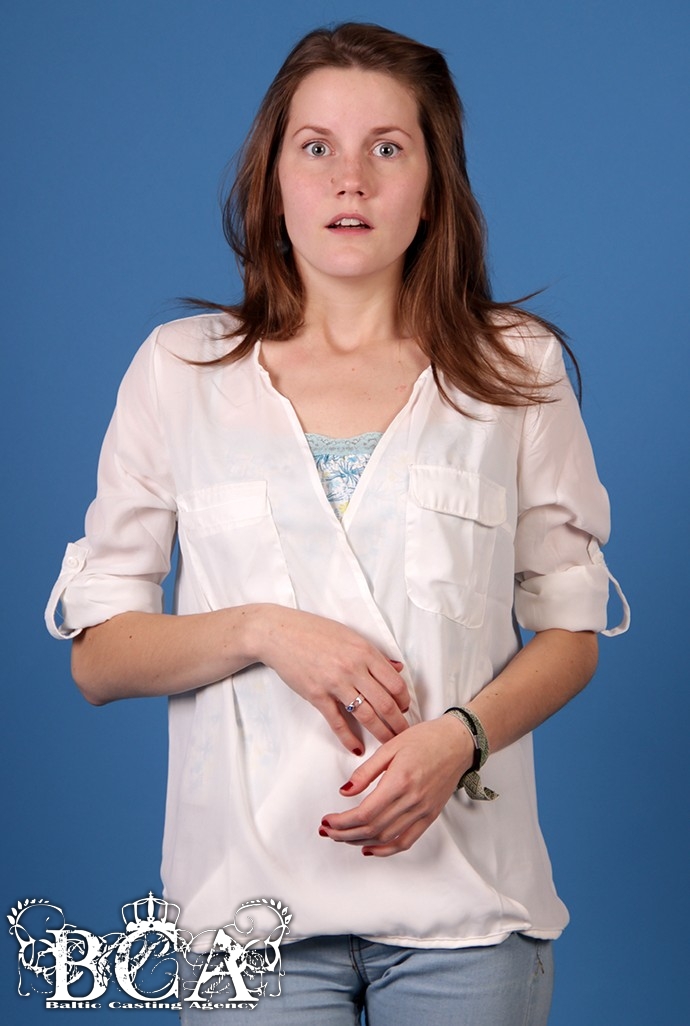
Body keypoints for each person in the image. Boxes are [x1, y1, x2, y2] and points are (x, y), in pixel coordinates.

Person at [45, 21, 629, 1026]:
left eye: (386, 148)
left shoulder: (516, 368)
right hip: (244, 913)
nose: (349, 180)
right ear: (272, 179)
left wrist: (462, 740)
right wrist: (262, 630)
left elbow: (572, 633)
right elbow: (99, 659)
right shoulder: (179, 372)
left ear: (433, 186)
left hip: (468, 909)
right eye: (316, 147)